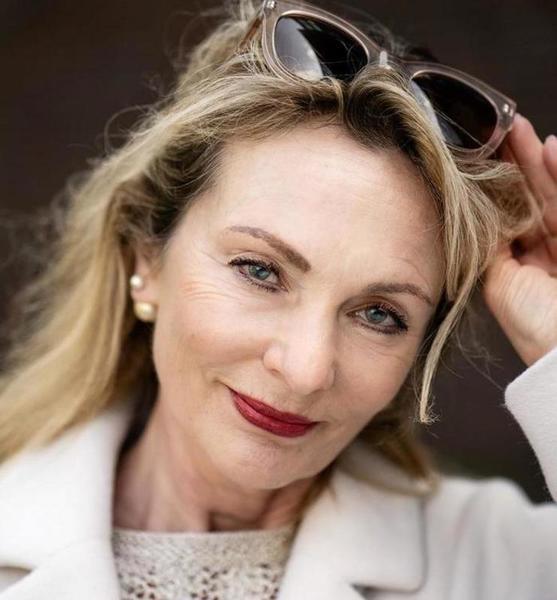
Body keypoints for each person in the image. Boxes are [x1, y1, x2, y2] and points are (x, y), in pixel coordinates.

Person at [0, 0, 556, 598]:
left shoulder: (500, 564)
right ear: (147, 259)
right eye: (260, 271)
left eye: (379, 314)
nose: (306, 369)